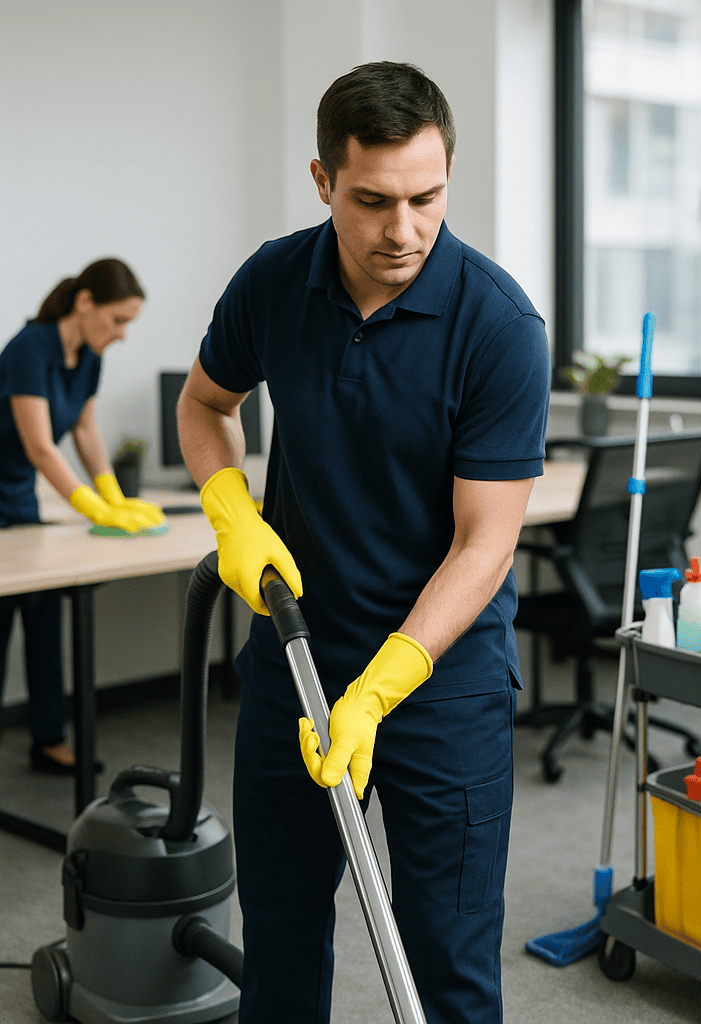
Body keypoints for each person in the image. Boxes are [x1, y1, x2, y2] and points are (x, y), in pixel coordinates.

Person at [177, 62, 549, 1024]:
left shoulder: (497, 326)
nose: (404, 230)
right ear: (321, 181)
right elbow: (205, 404)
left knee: (447, 958)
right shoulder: (273, 281)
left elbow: (485, 545)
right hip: (295, 654)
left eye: (427, 198)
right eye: (373, 200)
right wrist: (231, 509)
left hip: (440, 684)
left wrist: (381, 688)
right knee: (283, 940)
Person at [0, 258, 165, 773]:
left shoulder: (88, 357)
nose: (121, 336)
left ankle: (48, 741)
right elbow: (41, 446)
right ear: (85, 302)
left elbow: (86, 433)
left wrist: (113, 496)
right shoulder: (30, 349)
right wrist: (91, 506)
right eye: (118, 321)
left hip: (21, 503)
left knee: (46, 617)